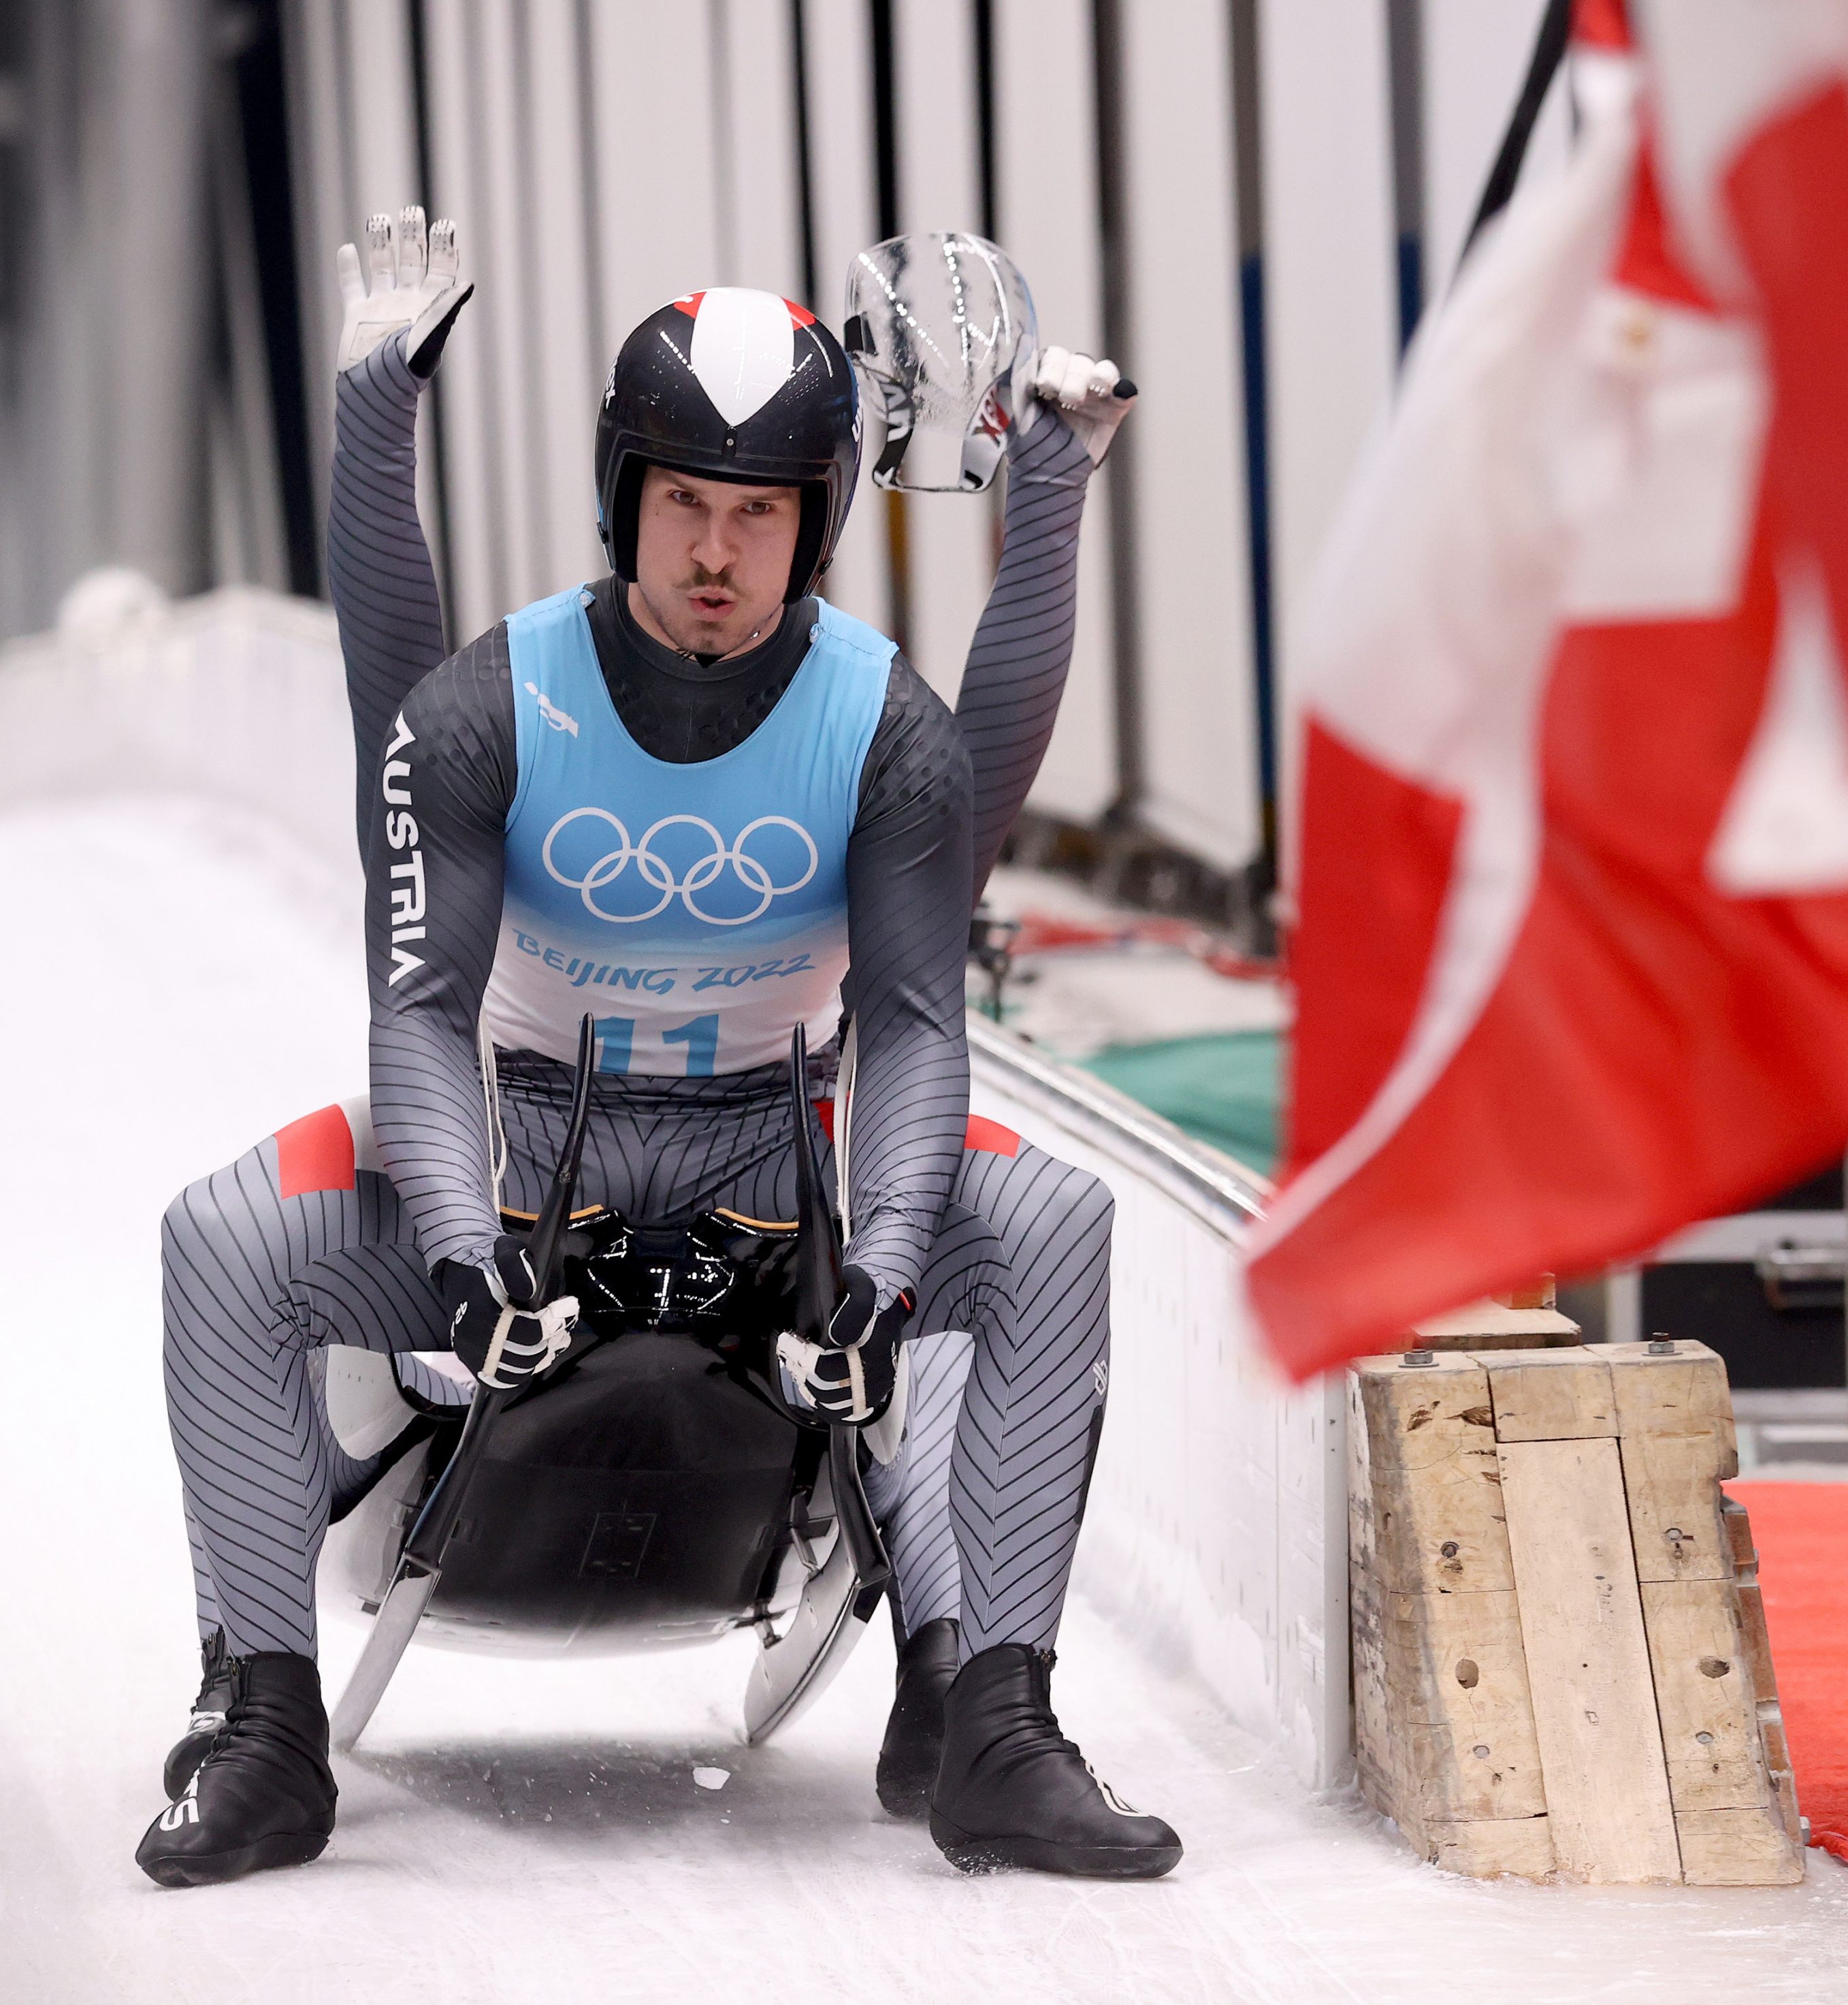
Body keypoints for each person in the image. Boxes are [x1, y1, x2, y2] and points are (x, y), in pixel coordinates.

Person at [137, 221, 1171, 1887]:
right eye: (683, 502)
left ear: (814, 527)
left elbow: (914, 1021)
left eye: (757, 513)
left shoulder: (883, 724)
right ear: (623, 500)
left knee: (1049, 1223)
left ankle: (995, 1718)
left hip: (784, 1160)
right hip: (529, 1149)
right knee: (230, 1236)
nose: (715, 549)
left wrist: (889, 1274)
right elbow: (415, 1005)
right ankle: (259, 1722)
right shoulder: (495, 703)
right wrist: (465, 1266)